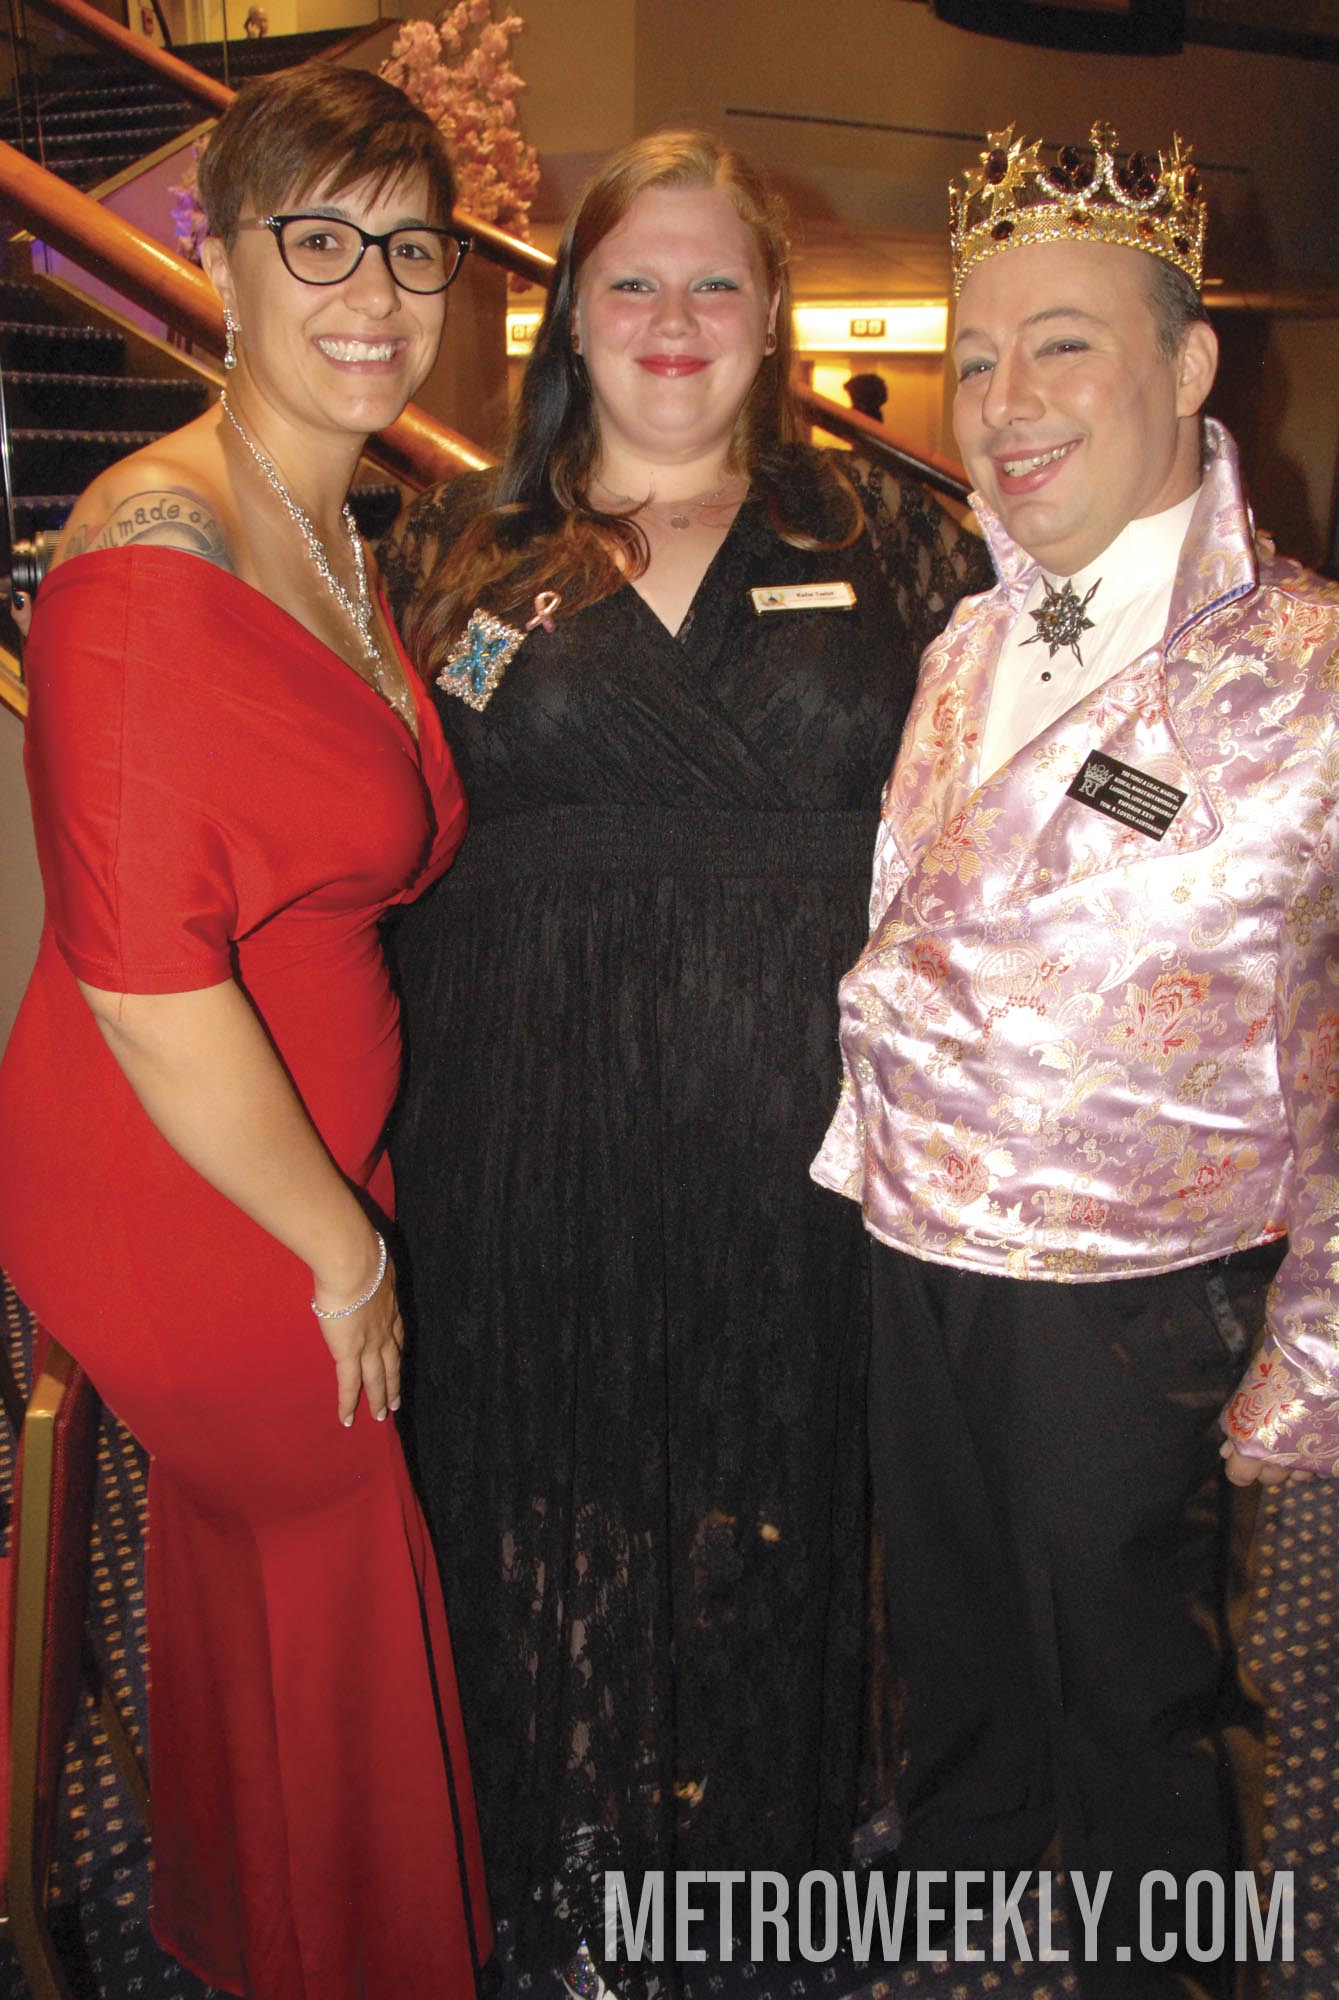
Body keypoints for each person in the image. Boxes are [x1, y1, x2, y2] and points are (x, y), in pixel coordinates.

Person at [379, 129, 990, 1995]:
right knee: (538, 1477)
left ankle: (763, 1863)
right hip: (521, 1113)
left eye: (715, 280)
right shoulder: (446, 543)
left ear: (772, 313)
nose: (672, 316)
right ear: (567, 313)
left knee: (787, 1463)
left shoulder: (895, 536)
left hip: (806, 1119)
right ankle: (556, 1862)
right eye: (630, 279)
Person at [813, 119, 1339, 1995]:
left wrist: (1317, 1343)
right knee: (953, 1656)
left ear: (1189, 368)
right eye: (974, 358)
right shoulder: (965, 641)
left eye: (1061, 345)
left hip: (1132, 1285)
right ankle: (958, 1923)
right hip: (913, 1238)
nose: (1002, 403)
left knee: (1132, 1703)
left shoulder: (1310, 674)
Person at [0, 67, 491, 2000]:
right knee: (333, 1532)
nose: (376, 292)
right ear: (221, 259)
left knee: (256, 1551)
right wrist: (341, 1248)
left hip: (280, 1145)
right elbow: (141, 984)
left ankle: (244, 1914)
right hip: (186, 1179)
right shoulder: (153, 548)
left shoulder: (331, 521)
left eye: (414, 249)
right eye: (322, 239)